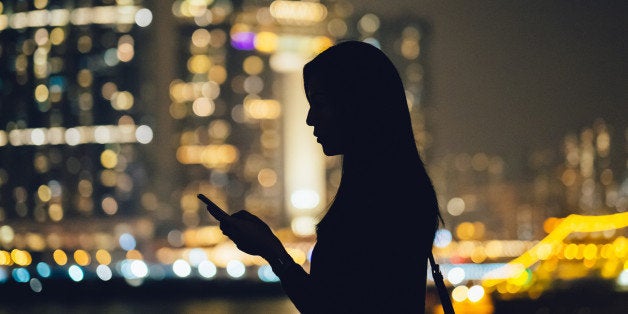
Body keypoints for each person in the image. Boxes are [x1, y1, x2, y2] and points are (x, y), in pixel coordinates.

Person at [215, 41, 441, 313]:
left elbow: (331, 307)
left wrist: (272, 251)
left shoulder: (377, 200)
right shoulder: (404, 188)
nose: (310, 119)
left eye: (319, 103)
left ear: (355, 104)